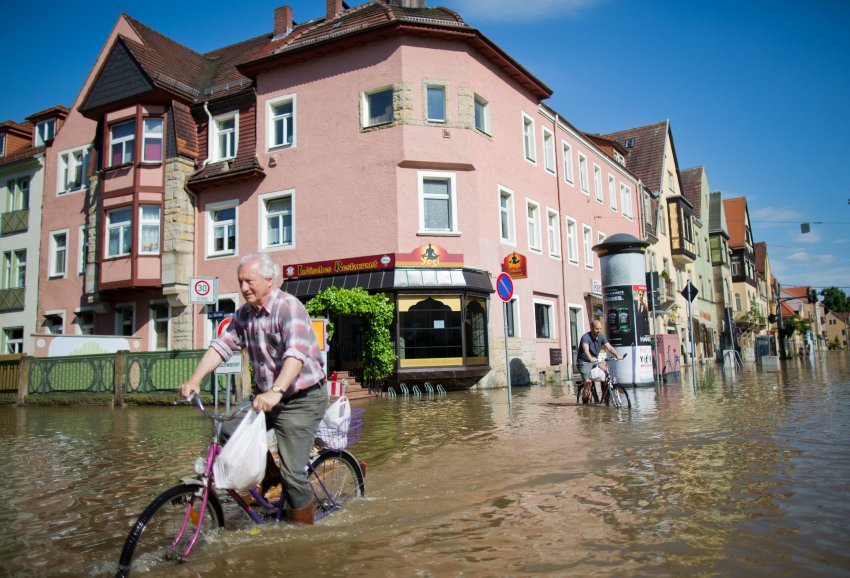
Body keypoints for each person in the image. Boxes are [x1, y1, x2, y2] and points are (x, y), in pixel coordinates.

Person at [178, 252, 327, 525]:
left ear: (270, 280)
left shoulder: (289, 308)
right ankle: (270, 473)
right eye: (240, 281)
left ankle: (305, 531)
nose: (244, 287)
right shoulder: (244, 315)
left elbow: (295, 355)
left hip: (301, 398)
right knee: (226, 431)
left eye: (250, 281)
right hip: (264, 397)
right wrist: (194, 379)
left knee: (293, 474)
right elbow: (221, 347)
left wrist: (277, 390)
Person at [577, 320, 623, 404]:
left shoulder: (601, 337)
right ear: (591, 328)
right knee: (588, 383)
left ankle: (605, 399)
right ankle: (585, 402)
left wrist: (617, 355)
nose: (599, 331)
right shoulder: (585, 337)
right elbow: (586, 350)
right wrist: (590, 358)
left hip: (595, 360)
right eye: (596, 329)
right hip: (584, 362)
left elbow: (609, 347)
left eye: (600, 329)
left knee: (606, 374)